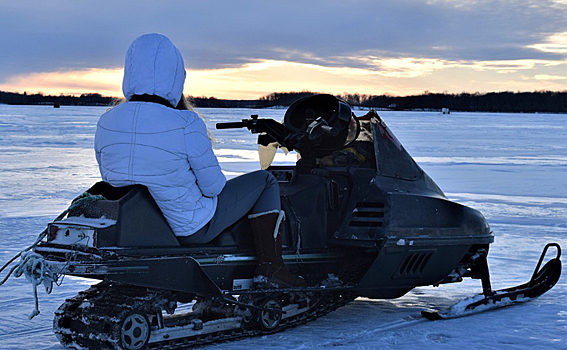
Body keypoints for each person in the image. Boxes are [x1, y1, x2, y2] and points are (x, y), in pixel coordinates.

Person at [94, 33, 304, 287]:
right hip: (190, 228)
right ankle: (272, 267)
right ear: (175, 77)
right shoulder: (185, 123)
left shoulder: (107, 120)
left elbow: (110, 177)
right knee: (266, 181)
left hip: (141, 225)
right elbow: (214, 187)